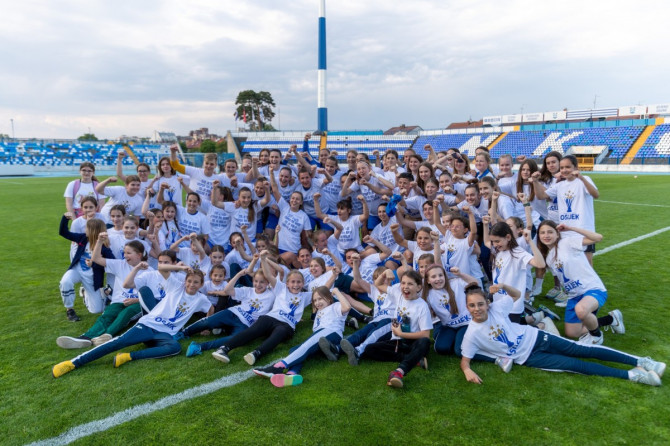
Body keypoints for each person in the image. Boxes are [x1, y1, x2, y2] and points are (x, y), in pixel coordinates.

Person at [459, 285, 664, 386]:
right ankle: (634, 375)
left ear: (487, 303)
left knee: (582, 349)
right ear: (467, 308)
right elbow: (465, 360)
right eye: (472, 305)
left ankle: (643, 361)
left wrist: (502, 286)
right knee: (575, 365)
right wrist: (467, 370)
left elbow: (516, 295)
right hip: (530, 358)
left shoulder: (497, 308)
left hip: (537, 337)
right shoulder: (471, 334)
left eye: (480, 304)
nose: (477, 309)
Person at [52, 268, 213, 378]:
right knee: (118, 342)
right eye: (189, 281)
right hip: (148, 325)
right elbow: (162, 268)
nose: (191, 285)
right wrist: (183, 268)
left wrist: (206, 327)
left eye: (196, 282)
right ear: (185, 281)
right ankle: (72, 363)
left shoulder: (201, 299)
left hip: (165, 334)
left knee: (175, 348)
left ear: (201, 284)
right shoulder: (176, 287)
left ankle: (128, 357)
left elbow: (210, 308)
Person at [209, 252, 312, 366]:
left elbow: (324, 291)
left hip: (286, 325)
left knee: (278, 334)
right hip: (271, 318)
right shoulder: (281, 288)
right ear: (287, 283)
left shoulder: (306, 296)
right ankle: (224, 348)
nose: (296, 285)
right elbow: (268, 275)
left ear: (303, 283)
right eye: (293, 282)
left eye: (298, 282)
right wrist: (263, 258)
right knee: (252, 331)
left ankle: (256, 353)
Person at [536, 221, 624, 345]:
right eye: (542, 233)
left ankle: (596, 337)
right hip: (574, 296)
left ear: (557, 234)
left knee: (581, 309)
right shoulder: (549, 258)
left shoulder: (567, 242)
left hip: (592, 288)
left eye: (550, 232)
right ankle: (611, 319)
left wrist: (571, 228)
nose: (546, 235)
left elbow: (598, 238)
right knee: (573, 333)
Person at [252, 287, 352, 388]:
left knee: (305, 346)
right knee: (294, 349)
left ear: (329, 298)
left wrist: (336, 291)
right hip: (321, 336)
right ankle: (292, 374)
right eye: (315, 300)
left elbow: (347, 307)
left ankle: (277, 367)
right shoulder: (319, 312)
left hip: (331, 332)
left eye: (320, 299)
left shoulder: (335, 306)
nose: (317, 302)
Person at [360, 270, 432, 388]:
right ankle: (415, 359)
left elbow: (425, 334)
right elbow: (378, 284)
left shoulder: (422, 306)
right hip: (397, 341)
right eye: (403, 283)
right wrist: (384, 273)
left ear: (419, 287)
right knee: (369, 349)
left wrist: (401, 334)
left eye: (410, 284)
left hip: (413, 342)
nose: (405, 287)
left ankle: (399, 371)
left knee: (425, 342)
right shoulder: (398, 294)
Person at [532, 154, 599, 265]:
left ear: (575, 167)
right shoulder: (560, 185)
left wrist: (581, 178)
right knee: (568, 263)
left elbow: (595, 194)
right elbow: (541, 196)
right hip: (566, 231)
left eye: (568, 167)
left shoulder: (584, 179)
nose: (564, 170)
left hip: (583, 229)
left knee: (586, 262)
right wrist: (535, 181)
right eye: (562, 167)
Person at [58, 214, 112, 321]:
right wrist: (64, 219)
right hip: (76, 271)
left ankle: (84, 292)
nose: (85, 230)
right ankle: (69, 309)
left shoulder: (104, 247)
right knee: (65, 282)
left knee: (97, 310)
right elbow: (63, 233)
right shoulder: (82, 238)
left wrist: (94, 264)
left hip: (91, 278)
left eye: (87, 228)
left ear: (93, 231)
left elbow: (111, 263)